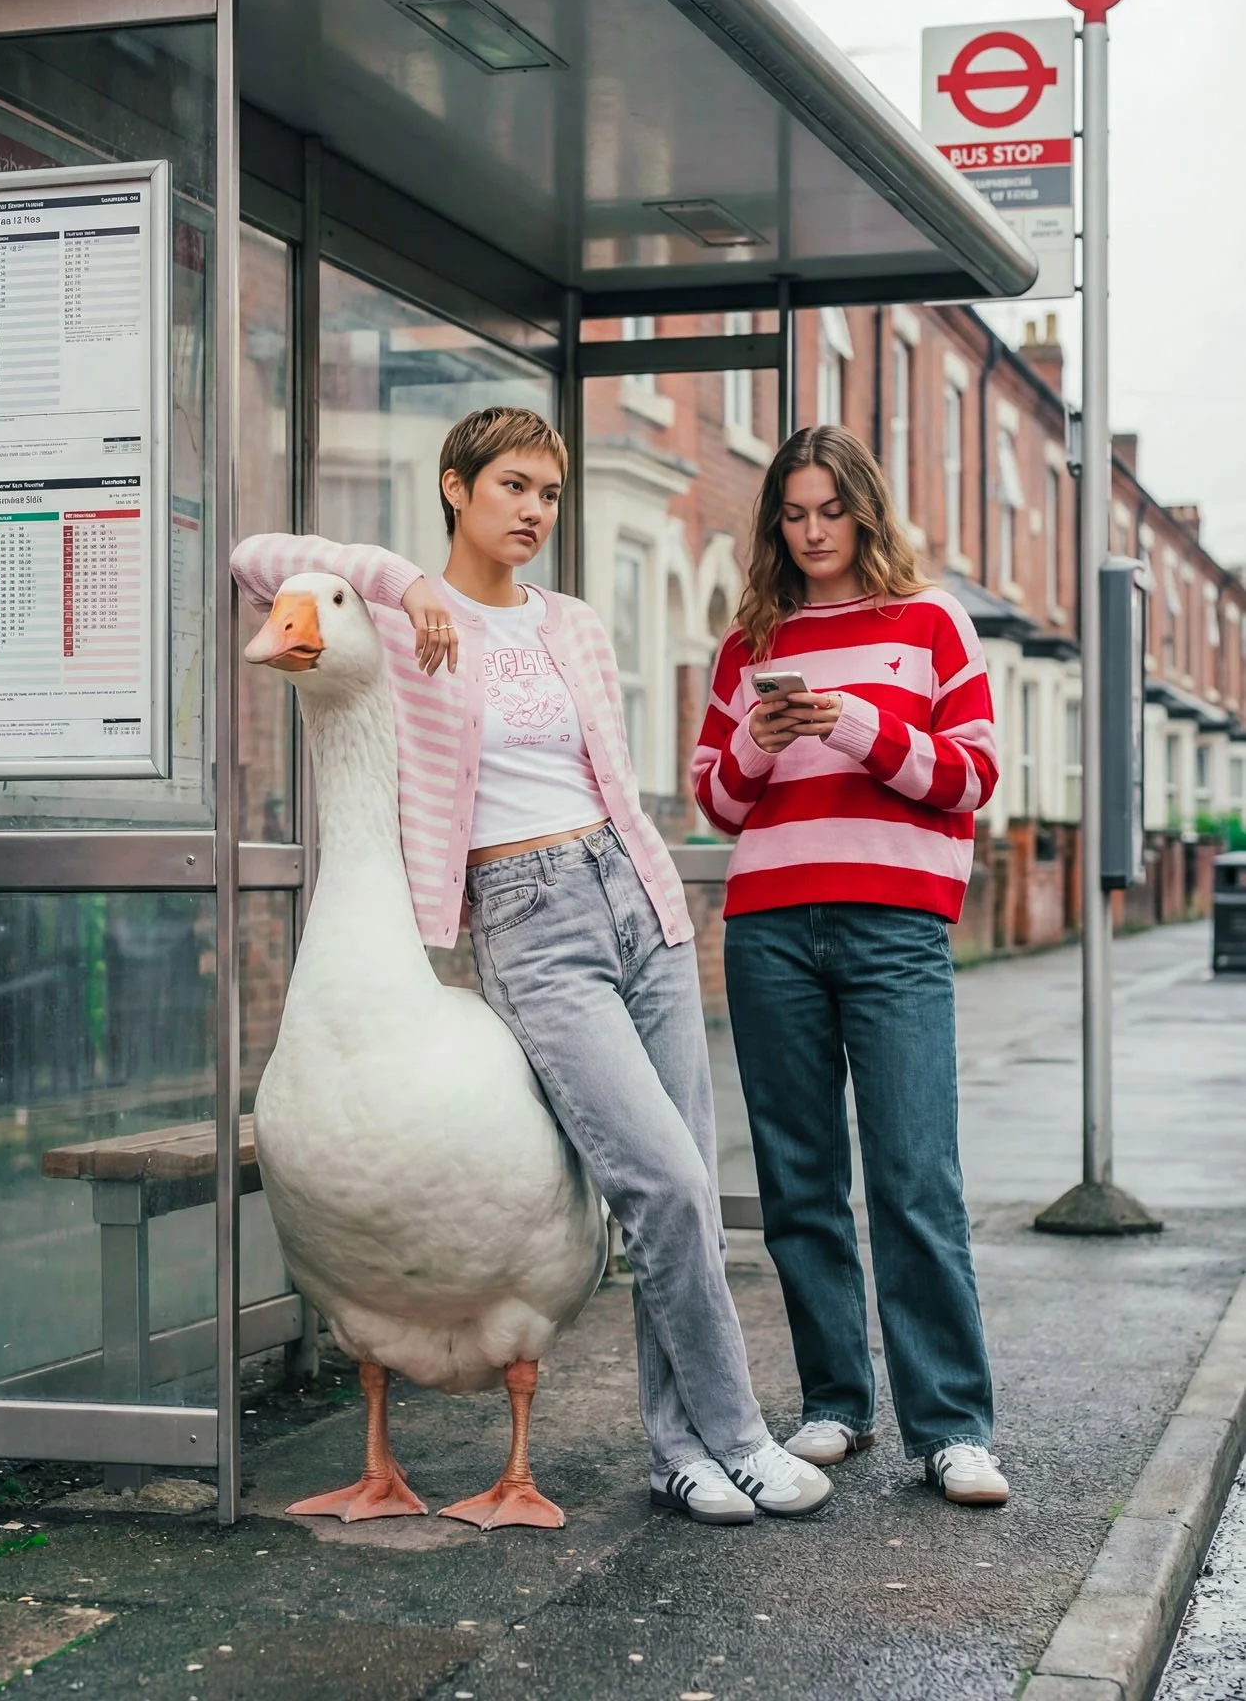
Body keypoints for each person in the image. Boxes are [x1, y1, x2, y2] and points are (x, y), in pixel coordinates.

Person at [232, 404, 830, 1526]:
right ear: (454, 487)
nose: (533, 512)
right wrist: (398, 579)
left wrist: (652, 893)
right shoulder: (406, 623)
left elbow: (608, 775)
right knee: (653, 1178)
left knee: (686, 1194)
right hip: (526, 915)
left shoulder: (576, 624)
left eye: (548, 494)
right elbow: (253, 560)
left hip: (634, 898)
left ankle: (679, 1451)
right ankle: (741, 1435)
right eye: (512, 486)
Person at [692, 423, 1009, 1507]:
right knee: (799, 1181)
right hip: (771, 924)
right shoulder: (751, 640)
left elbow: (970, 777)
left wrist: (859, 726)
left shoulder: (927, 623)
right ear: (774, 521)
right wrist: (765, 738)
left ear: (864, 511)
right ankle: (834, 1401)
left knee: (915, 1173)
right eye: (794, 512)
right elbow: (719, 800)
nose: (813, 530)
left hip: (893, 926)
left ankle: (952, 1426)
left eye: (831, 509)